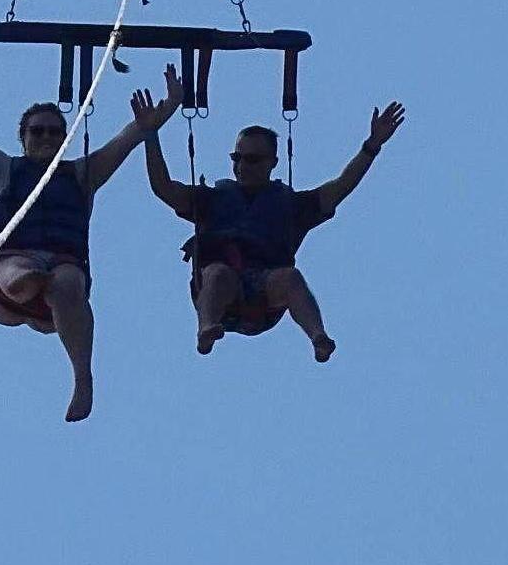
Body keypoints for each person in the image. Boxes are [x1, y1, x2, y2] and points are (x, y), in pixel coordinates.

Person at [0, 45, 180, 422]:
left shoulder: (82, 174)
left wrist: (166, 110)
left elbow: (131, 136)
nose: (46, 138)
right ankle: (27, 282)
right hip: (7, 278)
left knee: (66, 280)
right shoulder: (0, 168)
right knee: (21, 269)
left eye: (55, 132)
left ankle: (82, 378)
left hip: (62, 283)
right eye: (37, 132)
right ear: (22, 137)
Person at [140, 88, 405, 361]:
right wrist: (150, 134)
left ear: (273, 163)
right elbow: (164, 188)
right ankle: (206, 328)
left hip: (265, 296)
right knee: (218, 273)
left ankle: (318, 337)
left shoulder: (290, 206)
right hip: (220, 288)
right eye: (237, 158)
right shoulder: (213, 199)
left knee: (291, 277)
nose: (243, 165)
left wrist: (371, 146)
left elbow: (339, 188)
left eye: (252, 159)